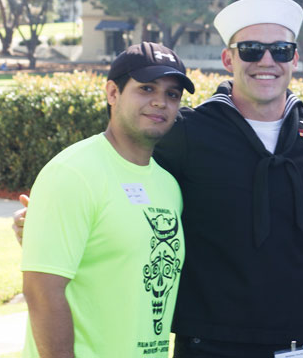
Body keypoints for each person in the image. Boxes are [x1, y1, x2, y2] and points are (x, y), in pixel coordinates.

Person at [14, 0, 303, 357]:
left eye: (281, 50)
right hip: (207, 340)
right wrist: (47, 220)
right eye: (251, 49)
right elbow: (114, 168)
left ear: (294, 59)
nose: (267, 60)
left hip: (292, 339)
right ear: (229, 59)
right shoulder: (187, 131)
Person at [20, 42, 195, 357]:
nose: (160, 102)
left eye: (172, 94)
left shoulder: (168, 185)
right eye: (146, 88)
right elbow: (41, 293)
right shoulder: (73, 173)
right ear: (112, 93)